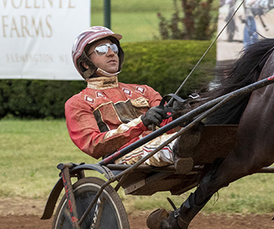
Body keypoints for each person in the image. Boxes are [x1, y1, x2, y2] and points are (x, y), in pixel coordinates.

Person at [65, 26, 186, 169]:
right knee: (181, 144)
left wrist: (182, 114)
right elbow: (93, 145)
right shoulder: (78, 103)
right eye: (102, 50)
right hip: (122, 158)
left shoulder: (144, 91)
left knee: (202, 138)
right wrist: (142, 122)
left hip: (161, 145)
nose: (111, 53)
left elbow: (169, 126)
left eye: (114, 48)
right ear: (85, 63)